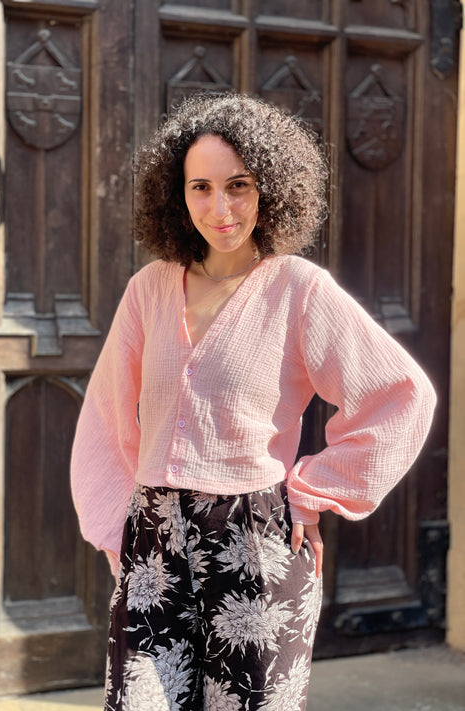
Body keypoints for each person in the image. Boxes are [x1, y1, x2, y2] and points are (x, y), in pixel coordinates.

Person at [70, 92, 436, 711]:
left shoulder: (299, 288)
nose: (220, 207)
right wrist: (117, 530)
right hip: (155, 542)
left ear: (269, 186)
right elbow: (106, 418)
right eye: (201, 187)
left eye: (238, 184)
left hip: (258, 542)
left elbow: (401, 394)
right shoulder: (149, 289)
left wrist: (316, 491)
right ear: (177, 194)